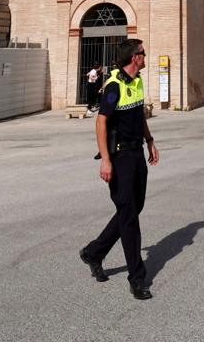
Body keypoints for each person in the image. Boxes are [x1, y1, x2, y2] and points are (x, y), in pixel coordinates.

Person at [80, 40, 159, 300]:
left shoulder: (137, 82)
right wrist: (105, 159)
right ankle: (137, 277)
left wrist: (150, 141)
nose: (146, 56)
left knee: (134, 208)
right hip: (120, 155)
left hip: (136, 152)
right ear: (134, 58)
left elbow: (138, 115)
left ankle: (94, 252)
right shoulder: (114, 86)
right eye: (143, 53)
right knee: (128, 214)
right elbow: (101, 122)